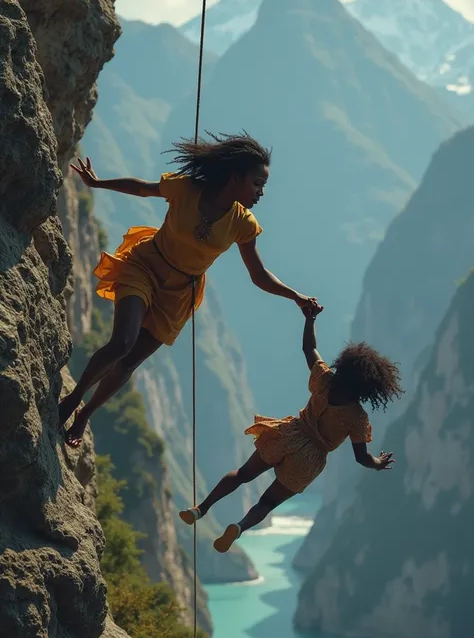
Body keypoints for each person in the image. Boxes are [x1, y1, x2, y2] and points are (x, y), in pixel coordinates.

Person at [59, 132, 319, 447]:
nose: (261, 192)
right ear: (235, 178)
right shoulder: (187, 189)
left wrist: (296, 297)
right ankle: (73, 399)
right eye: (257, 183)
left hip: (180, 291)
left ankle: (85, 415)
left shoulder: (243, 224)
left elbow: (259, 274)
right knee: (122, 343)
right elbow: (142, 188)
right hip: (145, 264)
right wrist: (98, 184)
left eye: (263, 185)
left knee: (129, 363)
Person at [179, 303, 403, 553]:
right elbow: (361, 458)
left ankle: (201, 509)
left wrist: (310, 319)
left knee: (243, 474)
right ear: (368, 387)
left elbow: (309, 348)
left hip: (288, 435)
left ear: (345, 365)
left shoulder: (324, 380)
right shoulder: (357, 417)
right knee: (267, 502)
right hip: (310, 459)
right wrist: (378, 463)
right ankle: (239, 527)